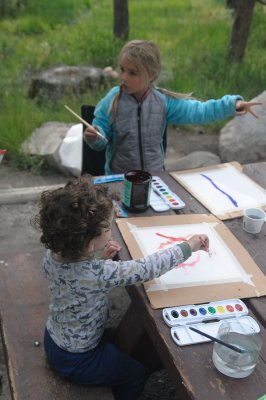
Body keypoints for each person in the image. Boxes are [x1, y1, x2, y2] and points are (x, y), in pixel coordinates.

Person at [33, 177, 209, 400]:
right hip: (78, 360)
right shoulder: (98, 274)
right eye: (108, 228)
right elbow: (146, 268)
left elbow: (78, 278)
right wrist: (189, 246)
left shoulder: (52, 256)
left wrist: (98, 258)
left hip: (54, 338)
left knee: (115, 345)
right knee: (135, 373)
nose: (111, 231)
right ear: (89, 245)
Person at [84, 39, 261, 175]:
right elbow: (101, 138)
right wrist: (94, 137)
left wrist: (231, 105)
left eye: (132, 73)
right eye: (122, 69)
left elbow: (198, 111)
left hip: (155, 178)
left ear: (151, 75)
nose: (124, 77)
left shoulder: (162, 102)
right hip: (120, 179)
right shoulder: (112, 100)